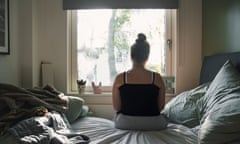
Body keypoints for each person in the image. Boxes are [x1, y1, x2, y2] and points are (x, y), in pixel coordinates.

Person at [112, 33, 168, 130]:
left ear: (131, 56)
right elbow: (160, 107)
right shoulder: (157, 78)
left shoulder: (120, 78)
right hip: (153, 124)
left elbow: (117, 108)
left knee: (117, 117)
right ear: (147, 57)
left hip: (125, 123)